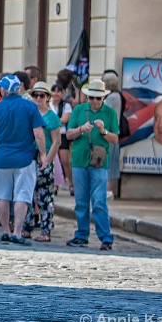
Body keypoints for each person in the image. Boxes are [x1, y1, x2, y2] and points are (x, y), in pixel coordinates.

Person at [0, 75, 47, 245]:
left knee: (2, 196)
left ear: (3, 90)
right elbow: (38, 133)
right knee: (22, 196)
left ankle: (5, 230)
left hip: (2, 159)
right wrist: (43, 155)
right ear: (19, 88)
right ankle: (17, 232)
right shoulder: (29, 107)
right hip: (25, 159)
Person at [65, 79, 119, 251]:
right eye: (92, 98)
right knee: (81, 201)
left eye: (98, 98)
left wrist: (103, 131)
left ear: (103, 97)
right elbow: (69, 135)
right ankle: (82, 235)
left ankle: (106, 238)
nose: (95, 101)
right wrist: (81, 129)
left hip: (99, 162)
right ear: (88, 98)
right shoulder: (79, 110)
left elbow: (115, 138)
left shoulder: (110, 113)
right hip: (79, 160)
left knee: (99, 202)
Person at [22, 82, 61, 242]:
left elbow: (56, 141)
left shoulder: (51, 117)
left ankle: (45, 230)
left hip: (43, 156)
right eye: (35, 95)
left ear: (47, 98)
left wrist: (47, 160)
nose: (38, 98)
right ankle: (26, 227)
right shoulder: (29, 113)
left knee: (45, 197)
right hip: (28, 155)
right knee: (26, 194)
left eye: (42, 95)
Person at [50, 83, 73, 195]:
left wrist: (51, 120)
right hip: (49, 135)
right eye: (54, 91)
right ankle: (54, 184)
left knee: (65, 160)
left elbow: (65, 119)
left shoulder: (66, 106)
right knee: (53, 161)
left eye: (58, 91)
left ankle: (71, 183)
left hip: (62, 135)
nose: (56, 94)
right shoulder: (48, 104)